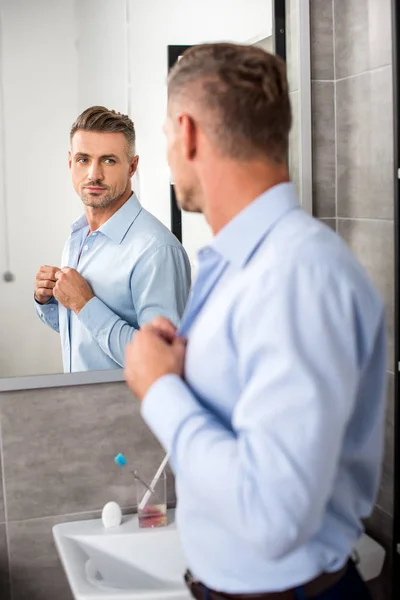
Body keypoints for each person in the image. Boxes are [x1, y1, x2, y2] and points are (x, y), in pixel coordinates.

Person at [124, 43, 386, 600]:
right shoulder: (236, 268)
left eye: (166, 135)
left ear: (187, 132)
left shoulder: (297, 274)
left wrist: (160, 389)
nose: (169, 153)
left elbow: (271, 516)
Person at [34, 106, 191, 373]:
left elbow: (162, 363)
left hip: (126, 414)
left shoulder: (156, 251)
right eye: (84, 159)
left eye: (108, 160)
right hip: (81, 410)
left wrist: (86, 304)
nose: (93, 174)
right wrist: (48, 301)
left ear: (132, 167)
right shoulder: (78, 237)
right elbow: (84, 334)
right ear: (70, 163)